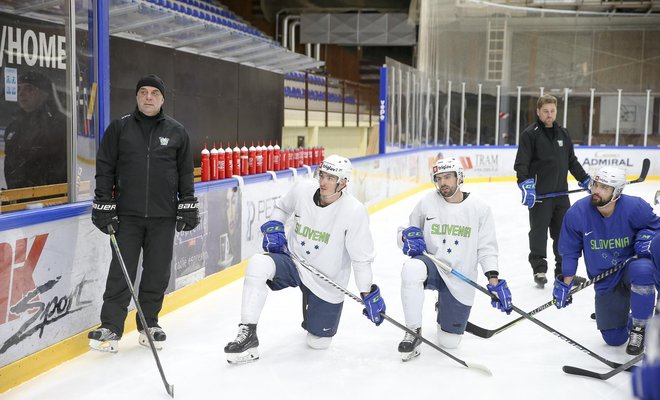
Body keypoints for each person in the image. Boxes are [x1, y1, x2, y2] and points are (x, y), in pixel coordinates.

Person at [224, 155, 386, 364]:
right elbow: (282, 208)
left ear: (343, 183)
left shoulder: (354, 211)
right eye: (322, 175)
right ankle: (248, 333)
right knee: (258, 263)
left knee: (317, 342)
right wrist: (276, 225)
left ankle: (312, 309)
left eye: (331, 178)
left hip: (326, 280)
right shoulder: (303, 190)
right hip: (294, 261)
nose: (323, 181)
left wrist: (367, 292)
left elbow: (361, 259)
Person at [89, 74, 199, 353]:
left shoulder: (177, 132)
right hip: (127, 216)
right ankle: (111, 327)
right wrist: (104, 203)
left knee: (156, 273)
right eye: (143, 92)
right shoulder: (120, 128)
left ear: (162, 99)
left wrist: (187, 203)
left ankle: (149, 323)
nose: (148, 97)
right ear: (137, 97)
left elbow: (186, 173)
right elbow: (105, 168)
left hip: (164, 216)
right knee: (121, 271)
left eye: (154, 93)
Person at [397, 157, 512, 361]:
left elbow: (487, 248)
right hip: (432, 265)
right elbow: (406, 232)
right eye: (439, 178)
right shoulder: (427, 202)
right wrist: (406, 238)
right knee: (411, 269)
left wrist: (493, 279)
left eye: (448, 177)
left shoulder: (480, 208)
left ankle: (444, 307)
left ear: (460, 177)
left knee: (449, 343)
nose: (443, 183)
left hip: (459, 276)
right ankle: (413, 331)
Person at [554, 166, 660, 356]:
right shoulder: (577, 213)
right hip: (605, 279)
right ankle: (631, 317)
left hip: (630, 268)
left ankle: (639, 328)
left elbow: (657, 229)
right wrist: (566, 281)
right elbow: (570, 251)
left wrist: (648, 239)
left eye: (604, 187)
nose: (596, 190)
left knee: (644, 269)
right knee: (614, 338)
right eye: (596, 185)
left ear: (617, 192)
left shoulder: (635, 207)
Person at [514, 94, 591, 288]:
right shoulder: (529, 135)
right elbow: (521, 164)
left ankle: (564, 273)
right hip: (540, 196)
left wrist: (585, 179)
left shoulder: (563, 134)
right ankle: (539, 269)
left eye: (552, 111)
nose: (549, 115)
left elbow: (571, 161)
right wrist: (525, 184)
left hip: (560, 196)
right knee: (538, 233)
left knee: (564, 235)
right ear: (538, 112)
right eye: (546, 111)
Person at [3, 70, 66, 189]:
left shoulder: (60, 125)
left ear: (44, 93)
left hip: (47, 202)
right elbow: (11, 167)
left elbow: (60, 169)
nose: (21, 93)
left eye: (29, 88)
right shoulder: (12, 128)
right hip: (18, 200)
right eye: (19, 88)